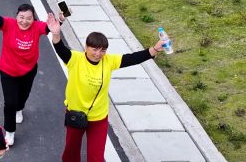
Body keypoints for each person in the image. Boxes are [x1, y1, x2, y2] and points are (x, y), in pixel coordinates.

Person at [48, 21, 168, 162]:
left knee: (96, 158)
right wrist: (56, 33)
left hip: (99, 118)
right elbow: (60, 48)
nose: (98, 54)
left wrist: (155, 49)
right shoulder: (75, 59)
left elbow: (132, 58)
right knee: (70, 154)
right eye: (94, 49)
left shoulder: (109, 61)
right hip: (75, 114)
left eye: (102, 50)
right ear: (86, 47)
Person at [0, 0, 61, 146]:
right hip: (8, 71)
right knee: (10, 103)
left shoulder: (37, 27)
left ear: (33, 19)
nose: (24, 21)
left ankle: (19, 109)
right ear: (16, 17)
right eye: (21, 17)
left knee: (23, 96)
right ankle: (9, 132)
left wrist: (61, 20)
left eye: (29, 18)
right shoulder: (9, 24)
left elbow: (51, 27)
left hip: (29, 70)